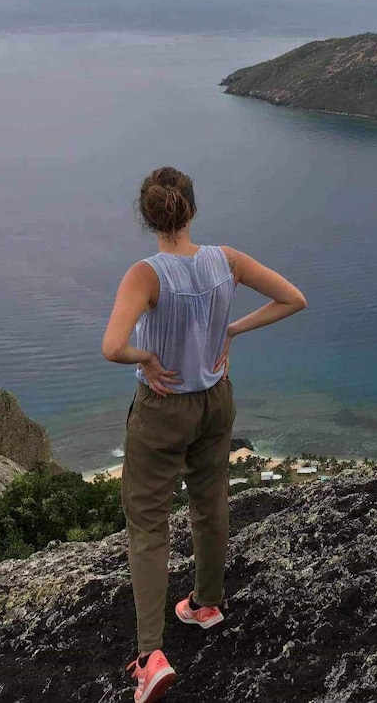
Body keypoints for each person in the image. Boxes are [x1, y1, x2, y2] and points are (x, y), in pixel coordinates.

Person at [101, 166, 307, 703]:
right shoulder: (226, 260)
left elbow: (112, 346)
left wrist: (147, 357)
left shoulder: (145, 275)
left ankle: (150, 657)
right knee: (209, 502)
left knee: (147, 524)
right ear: (191, 209)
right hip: (217, 400)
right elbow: (292, 298)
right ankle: (205, 603)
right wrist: (230, 329)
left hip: (163, 407)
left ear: (148, 216)